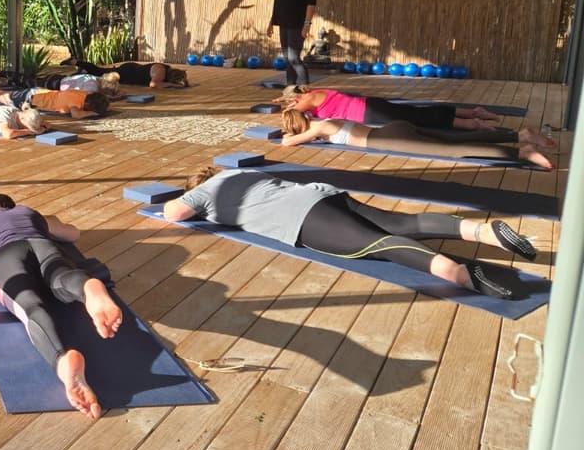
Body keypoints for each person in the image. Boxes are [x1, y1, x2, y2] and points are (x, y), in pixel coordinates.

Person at [161, 168, 537, 299]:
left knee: (379, 245)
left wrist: (187, 197)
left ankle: (459, 274)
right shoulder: (242, 174)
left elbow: (174, 212)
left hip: (301, 219)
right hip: (324, 196)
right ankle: (482, 230)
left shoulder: (207, 188)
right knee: (402, 222)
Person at [0, 194, 124, 419]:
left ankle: (62, 360)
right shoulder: (31, 214)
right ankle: (88, 286)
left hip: (7, 254)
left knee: (29, 305)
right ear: (13, 206)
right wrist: (51, 221)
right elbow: (73, 233)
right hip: (43, 245)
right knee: (61, 277)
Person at [279, 110, 555, 169]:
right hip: (393, 127)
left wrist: (290, 135)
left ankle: (523, 153)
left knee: (455, 151)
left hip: (386, 140)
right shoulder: (326, 120)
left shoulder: (320, 127)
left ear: (296, 126)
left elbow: (287, 144)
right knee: (454, 140)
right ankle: (518, 135)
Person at [277, 84, 503, 131]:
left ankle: (473, 123)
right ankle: (473, 113)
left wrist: (286, 107)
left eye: (292, 101)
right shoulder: (316, 91)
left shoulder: (309, 98)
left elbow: (295, 110)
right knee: (418, 113)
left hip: (370, 113)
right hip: (370, 106)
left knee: (420, 119)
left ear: (297, 97)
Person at [268, 0, 317, 86]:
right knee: (287, 58)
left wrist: (306, 24)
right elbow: (279, 1)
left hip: (297, 25)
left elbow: (311, 4)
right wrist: (271, 22)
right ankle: (290, 88)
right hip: (284, 23)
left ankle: (304, 88)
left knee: (293, 57)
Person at [0, 75, 109, 119]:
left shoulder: (84, 94)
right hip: (29, 98)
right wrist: (94, 113)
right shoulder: (75, 102)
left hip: (38, 93)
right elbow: (76, 115)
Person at [74, 60, 189, 88]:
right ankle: (77, 62)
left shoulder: (165, 70)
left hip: (131, 71)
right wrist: (174, 85)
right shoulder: (161, 72)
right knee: (101, 73)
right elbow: (153, 84)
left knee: (101, 73)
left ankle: (83, 69)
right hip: (128, 72)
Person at [34, 72, 123, 98]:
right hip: (55, 85)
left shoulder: (96, 78)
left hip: (59, 78)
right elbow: (88, 99)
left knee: (35, 81)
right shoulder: (93, 87)